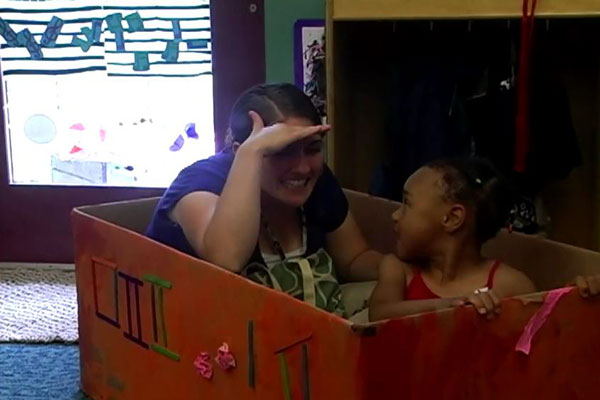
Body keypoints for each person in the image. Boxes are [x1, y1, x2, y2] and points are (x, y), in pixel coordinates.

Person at [146, 83, 382, 317]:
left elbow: (352, 259)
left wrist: (403, 271)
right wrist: (252, 151)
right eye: (283, 151)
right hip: (188, 329)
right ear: (241, 151)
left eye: (312, 149)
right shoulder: (199, 182)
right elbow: (227, 258)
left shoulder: (316, 180)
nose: (302, 168)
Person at [369, 158, 600, 322]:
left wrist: (575, 304)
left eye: (406, 204)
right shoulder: (398, 270)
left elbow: (539, 338)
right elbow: (379, 315)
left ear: (452, 218)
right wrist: (451, 308)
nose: (395, 215)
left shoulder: (509, 285)